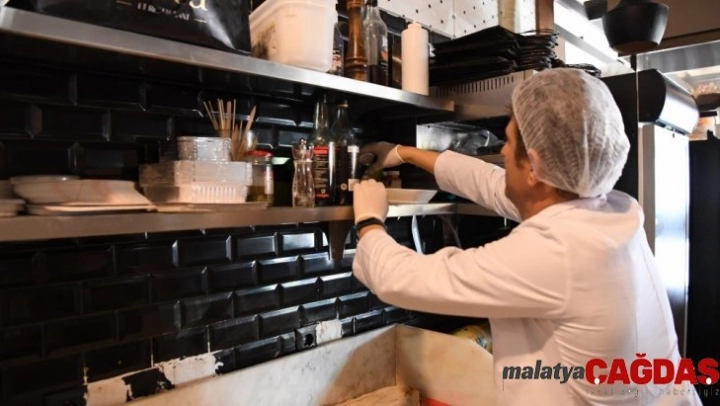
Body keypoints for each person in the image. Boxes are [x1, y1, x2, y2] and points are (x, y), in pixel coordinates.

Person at [351, 69, 702, 405]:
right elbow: (493, 183)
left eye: (508, 141)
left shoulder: (557, 254)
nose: (503, 152)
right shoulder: (612, 209)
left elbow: (404, 279)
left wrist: (368, 219)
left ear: (534, 167)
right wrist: (405, 153)